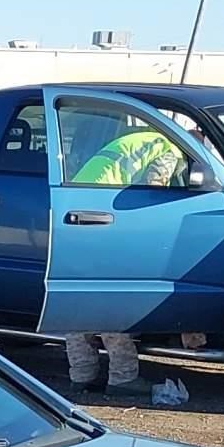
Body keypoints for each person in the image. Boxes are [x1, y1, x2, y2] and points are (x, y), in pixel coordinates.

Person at [60, 120, 188, 397]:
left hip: (77, 215)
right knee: (110, 301)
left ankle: (81, 375)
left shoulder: (141, 139)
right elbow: (154, 190)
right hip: (104, 219)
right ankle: (122, 378)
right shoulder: (170, 150)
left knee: (80, 300)